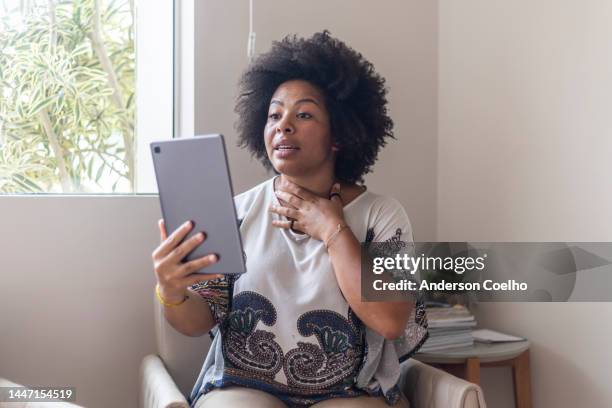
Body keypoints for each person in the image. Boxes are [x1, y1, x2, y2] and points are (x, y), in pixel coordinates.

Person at [151, 31, 428, 408]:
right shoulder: (236, 211)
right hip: (242, 386)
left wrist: (332, 229)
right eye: (274, 115)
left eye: (304, 114)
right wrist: (171, 291)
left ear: (339, 134)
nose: (283, 125)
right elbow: (196, 321)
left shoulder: (380, 213)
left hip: (350, 393)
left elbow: (391, 320)